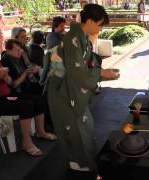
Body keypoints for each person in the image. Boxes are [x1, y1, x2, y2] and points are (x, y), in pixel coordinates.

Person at [45, 4, 118, 178]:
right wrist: (102, 73)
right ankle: (79, 166)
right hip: (64, 92)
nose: (101, 28)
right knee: (76, 129)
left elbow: (87, 65)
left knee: (84, 127)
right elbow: (78, 72)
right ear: (91, 21)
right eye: (100, 24)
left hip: (71, 90)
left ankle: (81, 163)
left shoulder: (81, 36)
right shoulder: (73, 38)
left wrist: (98, 71)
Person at [0, 37, 56, 156]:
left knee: (38, 100)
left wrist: (5, 77)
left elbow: (10, 83)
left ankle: (41, 131)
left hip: (7, 95)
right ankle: (27, 142)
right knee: (26, 105)